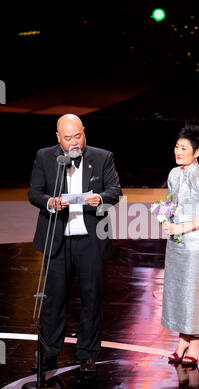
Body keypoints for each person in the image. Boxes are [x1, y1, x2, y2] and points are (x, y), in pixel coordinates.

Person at [28, 114, 122, 371]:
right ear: (58, 138)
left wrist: (101, 199)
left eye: (77, 136)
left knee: (92, 298)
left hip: (91, 241)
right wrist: (50, 202)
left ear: (84, 132)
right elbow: (34, 192)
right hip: (58, 238)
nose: (74, 142)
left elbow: (115, 191)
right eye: (67, 138)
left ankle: (88, 353)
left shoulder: (103, 157)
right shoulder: (45, 157)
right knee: (54, 299)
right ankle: (49, 352)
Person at [162, 124, 199, 365]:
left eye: (184, 148)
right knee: (176, 290)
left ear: (197, 153)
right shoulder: (174, 174)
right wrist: (165, 214)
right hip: (175, 240)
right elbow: (171, 201)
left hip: (194, 242)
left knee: (192, 291)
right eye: (177, 146)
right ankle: (183, 338)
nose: (178, 151)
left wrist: (180, 227)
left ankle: (194, 341)